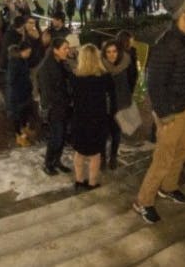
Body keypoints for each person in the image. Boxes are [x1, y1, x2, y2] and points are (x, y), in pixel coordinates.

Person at [132, 0, 185, 224]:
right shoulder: (167, 43)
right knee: (162, 159)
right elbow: (154, 82)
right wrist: (163, 114)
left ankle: (169, 187)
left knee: (182, 151)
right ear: (181, 13)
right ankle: (143, 201)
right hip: (170, 112)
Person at [70, 44, 115, 191]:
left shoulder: (75, 77)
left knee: (80, 152)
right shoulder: (105, 77)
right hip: (98, 119)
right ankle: (92, 182)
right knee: (95, 154)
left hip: (79, 119)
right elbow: (112, 97)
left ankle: (79, 180)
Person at [37, 37, 74, 176]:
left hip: (64, 105)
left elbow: (69, 79)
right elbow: (46, 92)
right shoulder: (46, 67)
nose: (67, 51)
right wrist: (52, 107)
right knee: (56, 137)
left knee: (63, 135)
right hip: (54, 108)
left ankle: (57, 161)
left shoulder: (61, 62)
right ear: (55, 50)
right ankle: (48, 163)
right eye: (65, 48)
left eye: (68, 48)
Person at [102, 40, 134, 170]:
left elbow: (132, 82)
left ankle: (113, 156)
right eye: (108, 52)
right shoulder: (101, 67)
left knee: (116, 131)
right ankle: (103, 157)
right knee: (103, 132)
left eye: (114, 51)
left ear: (119, 52)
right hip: (105, 103)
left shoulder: (125, 64)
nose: (111, 55)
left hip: (120, 102)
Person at [6, 42, 36, 147]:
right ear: (22, 51)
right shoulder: (15, 63)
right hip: (18, 95)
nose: (29, 54)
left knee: (24, 113)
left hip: (24, 94)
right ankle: (19, 136)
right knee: (17, 115)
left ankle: (24, 130)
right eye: (28, 52)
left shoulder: (22, 61)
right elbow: (11, 80)